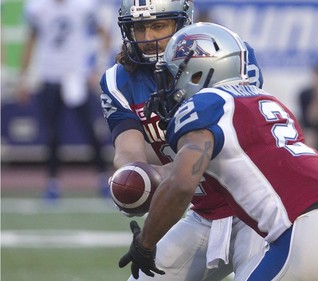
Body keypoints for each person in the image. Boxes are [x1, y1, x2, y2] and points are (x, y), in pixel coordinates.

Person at [119, 22, 318, 280]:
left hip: (311, 229)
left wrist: (146, 242)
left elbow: (183, 183)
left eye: (173, 76)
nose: (168, 87)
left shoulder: (204, 105)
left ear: (198, 73)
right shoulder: (266, 100)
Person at [100, 1, 266, 280]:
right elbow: (127, 150)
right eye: (139, 27)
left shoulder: (224, 56)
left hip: (256, 211)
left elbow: (217, 148)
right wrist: (133, 177)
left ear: (182, 23)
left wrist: (163, 174)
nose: (148, 38)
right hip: (203, 212)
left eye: (158, 25)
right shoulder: (118, 80)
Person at [18, 0, 111, 200]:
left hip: (76, 76)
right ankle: (52, 183)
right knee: (52, 134)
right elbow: (31, 41)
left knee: (90, 130)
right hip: (50, 76)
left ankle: (103, 179)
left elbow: (104, 32)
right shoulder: (37, 8)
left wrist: (98, 66)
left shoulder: (83, 6)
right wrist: (23, 78)